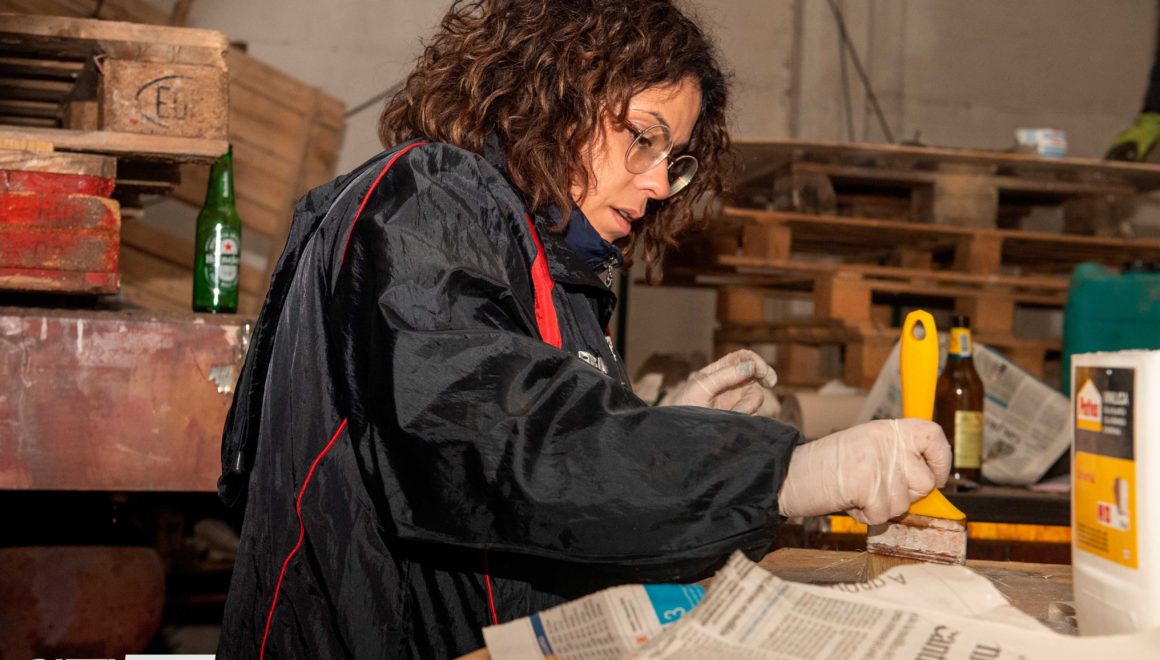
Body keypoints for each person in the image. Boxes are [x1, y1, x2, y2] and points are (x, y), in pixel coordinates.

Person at [216, 1, 951, 657]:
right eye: (643, 138)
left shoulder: (554, 264)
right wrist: (783, 471)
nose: (658, 184)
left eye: (674, 160)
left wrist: (667, 433)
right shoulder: (427, 199)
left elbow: (562, 483)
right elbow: (502, 441)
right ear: (556, 96)